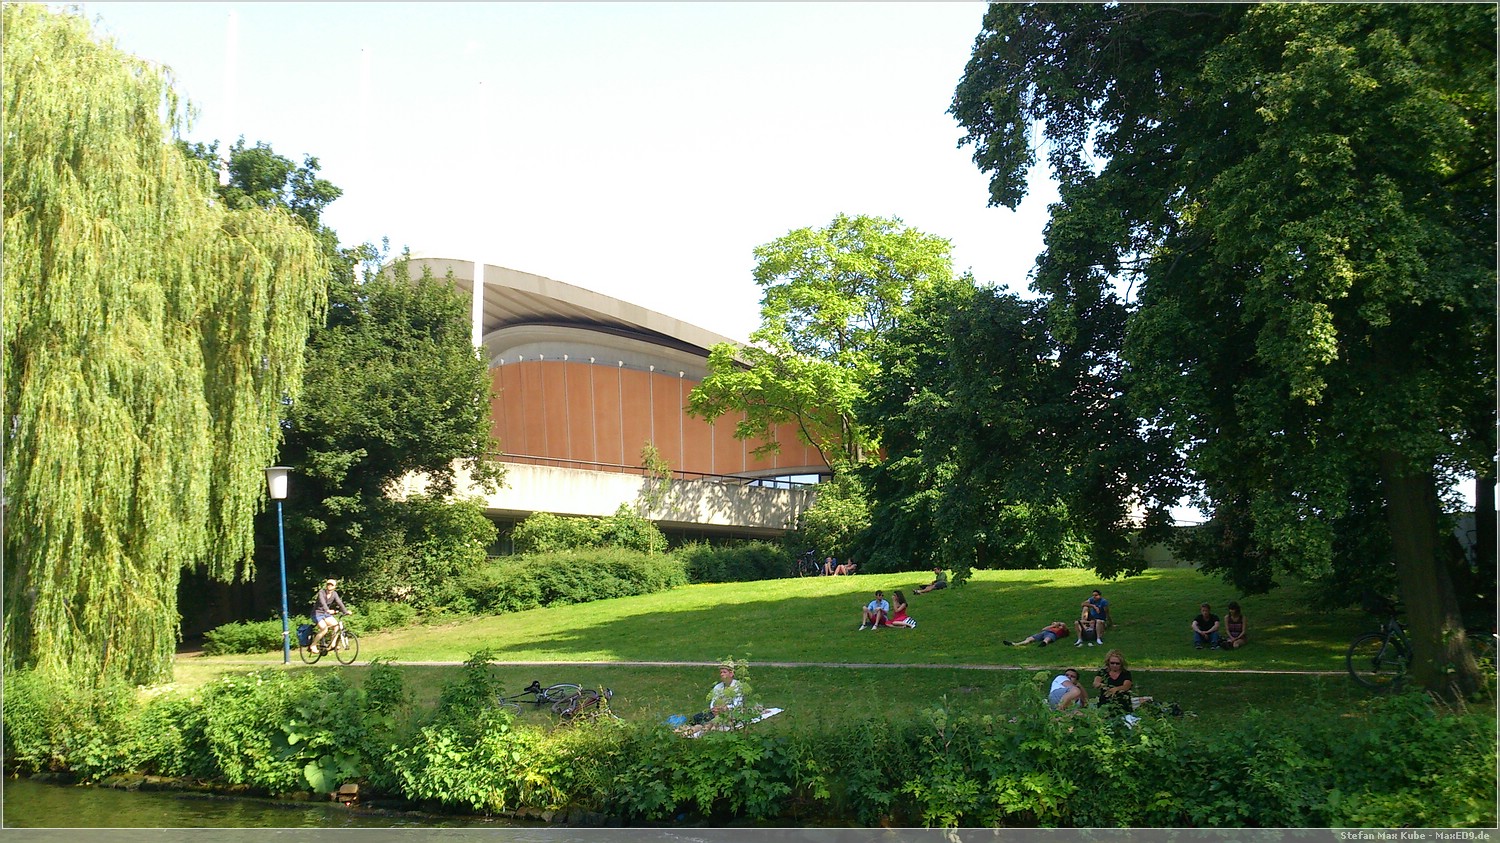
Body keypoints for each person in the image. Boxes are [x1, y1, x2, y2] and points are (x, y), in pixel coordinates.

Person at [309, 578, 349, 653]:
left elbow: (339, 603)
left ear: (334, 587)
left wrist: (345, 611)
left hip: (326, 614)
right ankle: (313, 645)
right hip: (317, 613)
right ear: (326, 585)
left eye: (332, 585)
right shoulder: (321, 592)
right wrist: (328, 610)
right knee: (324, 629)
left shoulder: (334, 594)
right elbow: (323, 602)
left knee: (336, 626)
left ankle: (333, 644)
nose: (330, 586)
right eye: (328, 584)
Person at [1092, 649, 1134, 714]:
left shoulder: (1126, 673)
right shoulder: (1103, 672)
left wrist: (1116, 689)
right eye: (1112, 663)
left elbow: (1126, 686)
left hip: (1122, 702)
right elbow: (1096, 683)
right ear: (1108, 663)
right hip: (1105, 702)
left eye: (1117, 663)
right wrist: (1102, 685)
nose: (1114, 665)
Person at [1005, 621, 1070, 647]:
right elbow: (1043, 629)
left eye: (1060, 625)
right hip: (1044, 633)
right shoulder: (1052, 627)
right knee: (1029, 638)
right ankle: (1016, 644)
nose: (1059, 626)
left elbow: (1064, 625)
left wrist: (1058, 624)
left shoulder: (1062, 630)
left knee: (1047, 638)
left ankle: (1044, 643)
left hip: (1052, 634)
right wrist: (1052, 625)